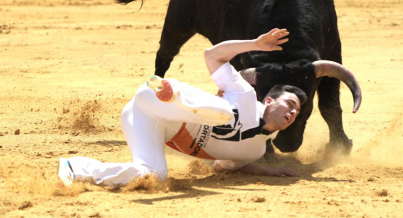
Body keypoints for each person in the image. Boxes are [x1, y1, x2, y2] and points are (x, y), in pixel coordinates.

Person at [57, 28, 307, 187]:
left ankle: (76, 167)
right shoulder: (244, 94)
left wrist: (267, 170)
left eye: (297, 112)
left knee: (152, 176)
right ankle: (171, 93)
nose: (294, 112)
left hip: (143, 118)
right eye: (291, 104)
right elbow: (212, 55)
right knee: (224, 112)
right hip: (158, 98)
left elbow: (224, 166)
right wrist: (254, 43)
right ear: (270, 100)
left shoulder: (254, 151)